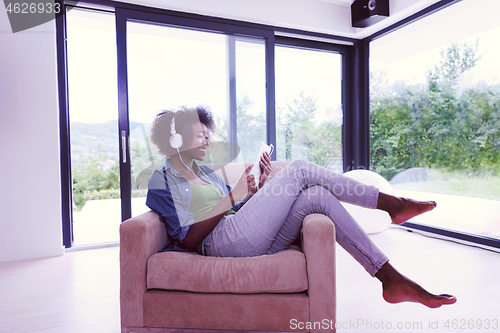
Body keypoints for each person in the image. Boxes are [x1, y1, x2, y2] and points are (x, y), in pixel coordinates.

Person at [146, 106, 457, 309]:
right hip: (217, 245)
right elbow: (188, 238)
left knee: (316, 197)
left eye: (207, 135)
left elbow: (235, 215)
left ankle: (388, 277)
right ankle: (391, 204)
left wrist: (259, 187)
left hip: (243, 238)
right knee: (299, 169)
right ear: (176, 140)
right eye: (200, 135)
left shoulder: (205, 173)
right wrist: (232, 196)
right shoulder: (162, 180)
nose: (207, 141)